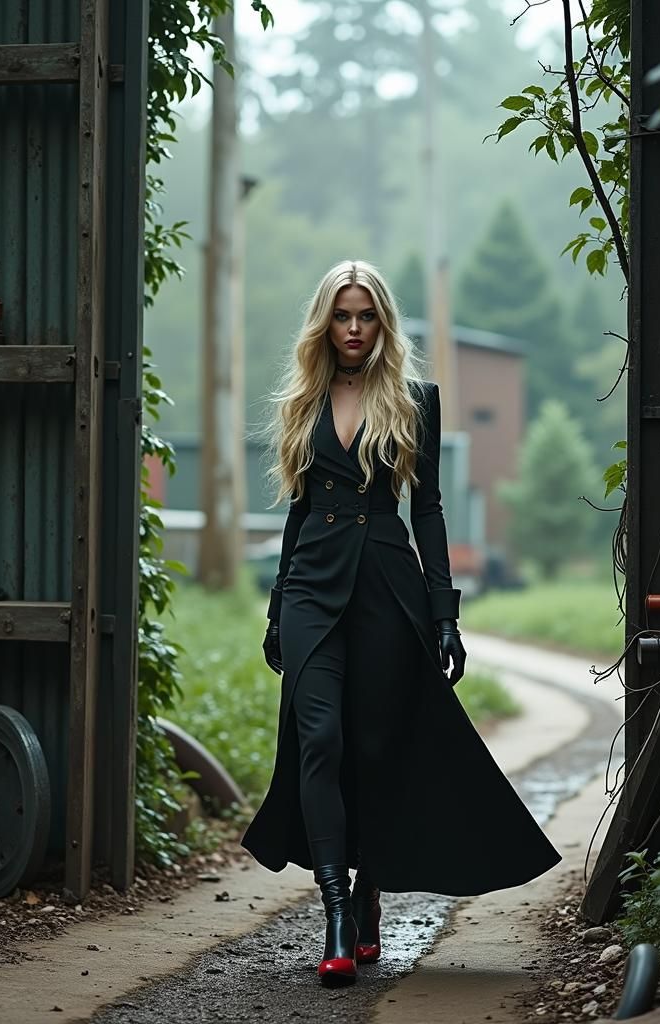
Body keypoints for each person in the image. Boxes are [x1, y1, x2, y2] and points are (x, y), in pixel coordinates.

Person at [240, 260, 561, 987]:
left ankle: (368, 893)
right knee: (318, 739)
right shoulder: (304, 399)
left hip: (388, 584)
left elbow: (429, 509)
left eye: (368, 316)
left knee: (377, 750)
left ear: (384, 323)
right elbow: (297, 511)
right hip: (311, 589)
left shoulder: (416, 399)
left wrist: (445, 614)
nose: (355, 330)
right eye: (343, 316)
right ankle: (333, 917)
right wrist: (275, 609)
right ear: (326, 322)